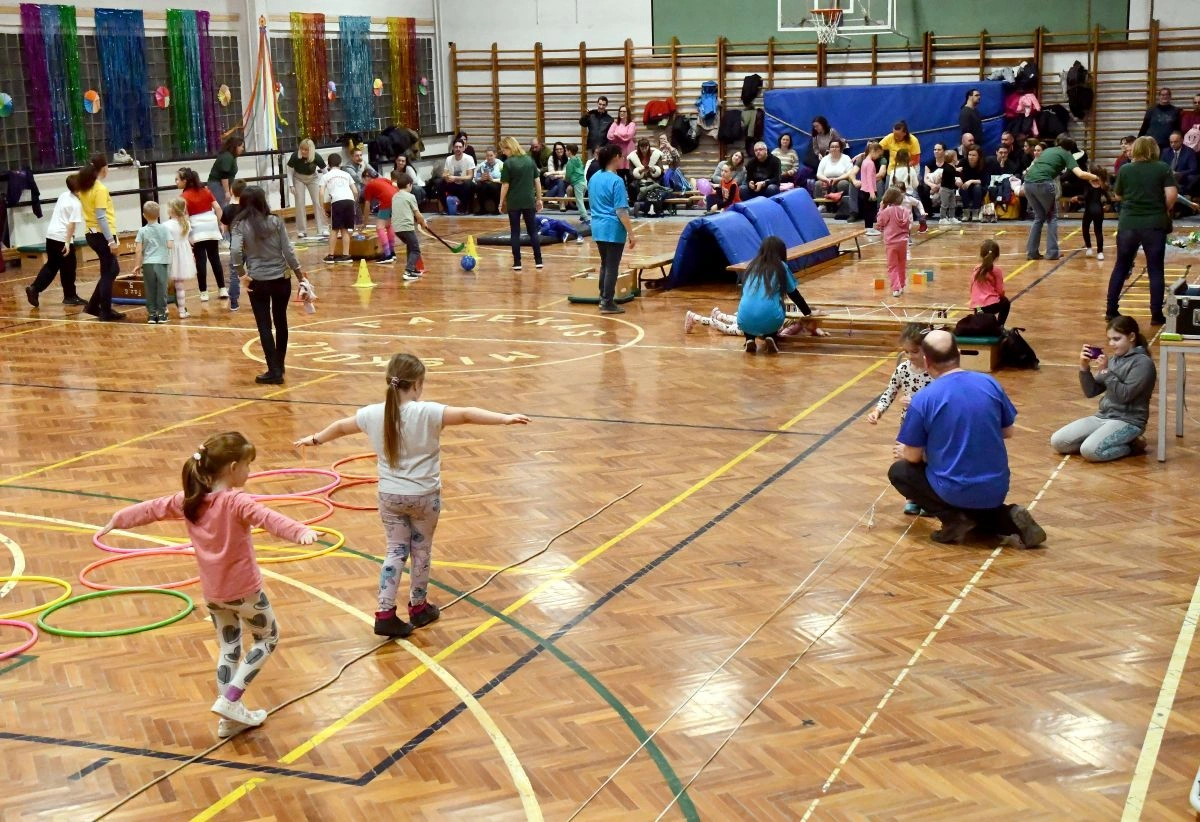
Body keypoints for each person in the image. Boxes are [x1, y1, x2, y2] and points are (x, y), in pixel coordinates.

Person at [98, 432, 317, 734]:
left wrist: (118, 518)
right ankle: (231, 699)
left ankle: (229, 720)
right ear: (233, 468)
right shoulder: (235, 501)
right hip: (246, 593)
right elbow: (268, 518)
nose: (249, 471)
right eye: (248, 465)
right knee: (268, 639)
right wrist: (300, 531)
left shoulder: (190, 500)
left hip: (214, 594)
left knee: (229, 647)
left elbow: (151, 508)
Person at [295, 354, 529, 637]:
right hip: (424, 496)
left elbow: (341, 427)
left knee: (395, 550)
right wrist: (505, 419)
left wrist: (315, 439)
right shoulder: (428, 412)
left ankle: (384, 613)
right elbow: (467, 414)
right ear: (417, 384)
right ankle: (418, 607)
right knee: (421, 551)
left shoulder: (371, 413)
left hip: (389, 496)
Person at [888, 330, 1046, 548]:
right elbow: (1008, 431)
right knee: (975, 508)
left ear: (927, 361)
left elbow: (913, 457)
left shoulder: (923, 399)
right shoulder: (989, 383)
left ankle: (954, 519)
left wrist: (909, 451)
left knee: (900, 471)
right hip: (996, 488)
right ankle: (1008, 518)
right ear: (959, 353)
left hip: (955, 489)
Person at [231, 186, 310, 384]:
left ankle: (273, 370)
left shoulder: (240, 225)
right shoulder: (276, 221)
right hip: (281, 278)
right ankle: (279, 365)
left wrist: (242, 274)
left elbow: (235, 253)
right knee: (281, 321)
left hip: (257, 280)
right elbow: (288, 251)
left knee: (264, 325)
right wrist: (300, 276)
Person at [1051, 316, 1155, 462]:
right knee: (1058, 442)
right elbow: (1091, 391)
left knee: (1090, 451)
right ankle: (1101, 439)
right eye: (1109, 339)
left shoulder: (1143, 363)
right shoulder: (1113, 360)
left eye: (1116, 339)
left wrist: (1106, 371)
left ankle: (1132, 446)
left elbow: (1125, 396)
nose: (1111, 344)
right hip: (1103, 416)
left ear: (1132, 337)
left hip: (1128, 421)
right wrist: (1084, 367)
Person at [1105, 136, 1177, 326]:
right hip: (1154, 223)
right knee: (1155, 269)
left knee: (1121, 266)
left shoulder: (1125, 169)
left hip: (1128, 223)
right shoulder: (1162, 168)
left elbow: (1118, 195)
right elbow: (1172, 195)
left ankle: (1111, 310)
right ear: (1154, 149)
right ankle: (1156, 314)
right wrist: (1162, 208)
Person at [867, 323, 934, 516]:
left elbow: (939, 399)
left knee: (927, 459)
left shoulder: (934, 372)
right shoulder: (903, 369)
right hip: (909, 425)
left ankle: (929, 499)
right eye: (906, 351)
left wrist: (916, 402)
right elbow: (890, 392)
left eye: (915, 351)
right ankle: (912, 497)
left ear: (926, 349)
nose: (910, 356)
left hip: (929, 426)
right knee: (908, 460)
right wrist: (878, 411)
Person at [1023, 135, 1100, 261]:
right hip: (1044, 184)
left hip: (1027, 184)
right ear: (1071, 148)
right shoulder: (1067, 154)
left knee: (1039, 217)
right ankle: (1052, 253)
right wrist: (1095, 177)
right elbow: (1080, 174)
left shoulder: (1047, 150)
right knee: (1051, 217)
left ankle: (1032, 253)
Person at [736, 236, 816, 354]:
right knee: (779, 304)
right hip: (770, 319)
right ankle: (771, 336)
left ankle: (749, 339)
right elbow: (794, 294)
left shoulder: (751, 266)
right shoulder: (781, 267)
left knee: (751, 307)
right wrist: (808, 313)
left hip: (744, 319)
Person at [589, 144, 637, 314]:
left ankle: (603, 297)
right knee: (612, 266)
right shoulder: (616, 181)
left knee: (605, 264)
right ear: (616, 157)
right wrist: (631, 233)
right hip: (612, 228)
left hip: (597, 226)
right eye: (621, 156)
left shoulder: (594, 177)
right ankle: (607, 302)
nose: (623, 159)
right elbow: (621, 210)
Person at [25, 173, 84, 308]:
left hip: (51, 236)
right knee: (69, 267)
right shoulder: (76, 204)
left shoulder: (64, 195)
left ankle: (34, 289)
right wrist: (67, 242)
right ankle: (70, 296)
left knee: (52, 266)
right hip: (62, 238)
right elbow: (71, 225)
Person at [79, 155, 123, 321]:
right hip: (102, 234)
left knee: (111, 270)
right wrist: (111, 240)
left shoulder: (85, 187)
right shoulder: (100, 189)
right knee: (108, 272)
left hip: (91, 233)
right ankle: (105, 310)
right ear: (103, 168)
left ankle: (93, 306)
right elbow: (101, 217)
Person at [177, 167, 226, 301]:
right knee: (215, 259)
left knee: (200, 261)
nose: (176, 182)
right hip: (211, 226)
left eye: (177, 179)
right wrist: (221, 223)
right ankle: (222, 289)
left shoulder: (183, 197)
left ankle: (204, 292)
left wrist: (186, 235)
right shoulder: (206, 191)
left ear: (185, 181)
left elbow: (185, 217)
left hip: (197, 229)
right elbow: (217, 208)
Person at [498, 136, 544, 273]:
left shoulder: (508, 163)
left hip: (514, 202)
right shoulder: (529, 160)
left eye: (503, 149)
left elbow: (505, 185)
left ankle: (517, 262)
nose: (503, 152)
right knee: (533, 232)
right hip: (528, 200)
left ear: (509, 147)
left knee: (515, 233)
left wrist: (501, 202)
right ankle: (538, 261)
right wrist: (539, 199)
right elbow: (537, 181)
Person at [131, 201, 171, 325]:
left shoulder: (142, 231)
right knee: (162, 288)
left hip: (148, 263)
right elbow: (170, 245)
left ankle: (152, 315)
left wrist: (137, 265)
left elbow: (138, 250)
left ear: (144, 215)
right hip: (162, 262)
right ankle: (162, 314)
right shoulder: (165, 228)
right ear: (159, 214)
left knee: (149, 289)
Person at [391, 174, 429, 282]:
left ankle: (413, 269)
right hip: (406, 227)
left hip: (397, 228)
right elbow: (417, 213)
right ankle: (408, 271)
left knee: (410, 246)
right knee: (416, 250)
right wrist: (423, 223)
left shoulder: (395, 196)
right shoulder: (410, 196)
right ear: (409, 185)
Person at [287, 139, 327, 238]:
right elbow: (289, 171)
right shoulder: (295, 156)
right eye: (302, 149)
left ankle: (322, 229)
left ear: (311, 150)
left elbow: (325, 172)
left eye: (306, 150)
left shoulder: (316, 157)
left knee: (317, 202)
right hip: (298, 178)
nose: (303, 151)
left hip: (313, 178)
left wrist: (327, 185)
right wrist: (291, 185)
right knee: (299, 203)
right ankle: (302, 230)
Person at [876, 187, 912, 298]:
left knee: (892, 266)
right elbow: (908, 225)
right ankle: (902, 284)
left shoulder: (887, 211)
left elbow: (879, 223)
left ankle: (896, 288)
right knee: (902, 264)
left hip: (891, 243)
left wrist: (881, 209)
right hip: (903, 242)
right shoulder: (905, 211)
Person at [219, 180, 247, 311]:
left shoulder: (228, 209)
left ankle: (234, 302)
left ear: (232, 191)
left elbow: (224, 228)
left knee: (234, 273)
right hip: (251, 244)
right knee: (255, 271)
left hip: (235, 245)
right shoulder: (249, 208)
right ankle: (259, 298)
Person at [166, 198, 196, 319]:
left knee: (164, 284)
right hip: (183, 256)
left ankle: (164, 309)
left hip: (171, 255)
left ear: (172, 210)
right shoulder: (186, 224)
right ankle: (182, 311)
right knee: (179, 285)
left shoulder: (166, 225)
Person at [968, 239, 1009, 326]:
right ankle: (1000, 326)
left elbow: (971, 287)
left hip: (977, 306)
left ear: (981, 255)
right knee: (1006, 302)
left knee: (981, 310)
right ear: (997, 257)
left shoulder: (976, 269)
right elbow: (999, 291)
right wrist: (1001, 295)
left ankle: (980, 316)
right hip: (990, 305)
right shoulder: (996, 271)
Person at [363, 169, 399, 264]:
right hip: (396, 199)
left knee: (380, 227)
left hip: (387, 201)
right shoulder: (383, 179)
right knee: (389, 225)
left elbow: (367, 205)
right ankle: (392, 252)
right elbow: (395, 185)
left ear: (366, 178)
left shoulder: (368, 186)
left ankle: (387, 255)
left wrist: (365, 221)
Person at [816, 139, 857, 219]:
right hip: (827, 180)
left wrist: (837, 179)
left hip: (841, 179)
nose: (834, 148)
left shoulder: (846, 158)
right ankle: (822, 206)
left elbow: (850, 173)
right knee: (818, 183)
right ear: (829, 149)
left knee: (843, 184)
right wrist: (826, 180)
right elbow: (819, 174)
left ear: (840, 148)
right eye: (832, 147)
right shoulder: (825, 159)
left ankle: (841, 206)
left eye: (836, 147)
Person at [888, 149, 927, 232]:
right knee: (916, 203)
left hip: (896, 197)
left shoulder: (893, 171)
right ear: (908, 158)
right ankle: (922, 222)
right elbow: (916, 184)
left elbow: (890, 186)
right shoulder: (911, 170)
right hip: (908, 195)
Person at [1078, 166, 1111, 260]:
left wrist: (1077, 198)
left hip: (1089, 211)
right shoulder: (1101, 185)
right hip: (1099, 210)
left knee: (1085, 229)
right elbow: (1108, 198)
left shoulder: (1087, 185)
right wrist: (1107, 205)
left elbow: (1085, 197)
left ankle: (1089, 248)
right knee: (1098, 231)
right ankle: (1100, 253)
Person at [923, 143, 959, 224]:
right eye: (935, 149)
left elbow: (951, 177)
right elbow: (926, 178)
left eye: (939, 150)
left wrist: (939, 186)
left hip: (945, 186)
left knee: (952, 203)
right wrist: (933, 186)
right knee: (924, 188)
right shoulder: (929, 163)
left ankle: (951, 217)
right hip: (934, 185)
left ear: (944, 152)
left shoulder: (949, 164)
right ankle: (931, 213)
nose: (936, 151)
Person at [208, 135, 244, 210]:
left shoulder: (231, 156)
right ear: (235, 146)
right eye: (241, 146)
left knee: (225, 206)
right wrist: (227, 191)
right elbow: (224, 176)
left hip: (222, 185)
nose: (242, 149)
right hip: (217, 185)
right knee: (223, 207)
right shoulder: (227, 157)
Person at [440, 139, 476, 214]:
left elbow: (470, 176)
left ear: (463, 148)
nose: (458, 149)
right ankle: (446, 208)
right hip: (453, 183)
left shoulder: (469, 158)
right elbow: (444, 173)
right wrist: (447, 177)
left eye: (460, 147)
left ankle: (463, 209)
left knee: (468, 184)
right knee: (439, 183)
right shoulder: (449, 159)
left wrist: (456, 178)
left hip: (464, 183)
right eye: (456, 147)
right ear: (453, 148)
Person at [858, 141, 884, 236]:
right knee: (871, 210)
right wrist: (872, 193)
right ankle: (869, 228)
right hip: (869, 190)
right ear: (873, 151)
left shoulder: (865, 161)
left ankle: (868, 227)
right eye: (878, 154)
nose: (878, 157)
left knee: (868, 210)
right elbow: (869, 178)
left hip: (865, 189)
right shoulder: (870, 163)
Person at [958, 146, 989, 221]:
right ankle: (966, 213)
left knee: (977, 187)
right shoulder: (963, 162)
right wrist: (958, 180)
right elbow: (956, 175)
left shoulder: (983, 163)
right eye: (969, 155)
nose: (971, 157)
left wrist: (971, 181)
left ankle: (975, 213)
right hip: (966, 188)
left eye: (974, 155)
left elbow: (984, 180)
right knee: (964, 188)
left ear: (979, 156)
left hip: (980, 189)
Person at [1162, 130, 1198, 196]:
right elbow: (1161, 166)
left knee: (1193, 178)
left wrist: (1180, 174)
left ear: (1182, 141)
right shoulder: (1165, 151)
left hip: (1182, 178)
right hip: (1167, 176)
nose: (1173, 144)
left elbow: (1194, 169)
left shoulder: (1189, 152)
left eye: (1175, 142)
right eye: (1171, 142)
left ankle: (1183, 192)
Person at [473, 147, 504, 215]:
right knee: (478, 186)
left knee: (493, 186)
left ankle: (497, 209)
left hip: (497, 185)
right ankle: (482, 209)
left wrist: (493, 179)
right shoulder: (482, 165)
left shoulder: (501, 164)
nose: (489, 158)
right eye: (487, 156)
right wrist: (481, 178)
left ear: (495, 155)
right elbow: (475, 178)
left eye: (491, 155)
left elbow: (504, 179)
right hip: (485, 185)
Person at [606, 105, 637, 173]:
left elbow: (628, 136)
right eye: (620, 111)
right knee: (619, 171)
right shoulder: (615, 124)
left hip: (628, 150)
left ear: (628, 113)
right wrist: (622, 136)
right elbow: (609, 136)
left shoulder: (631, 124)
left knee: (629, 171)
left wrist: (617, 135)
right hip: (618, 150)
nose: (622, 113)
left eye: (624, 111)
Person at [564, 143, 589, 222]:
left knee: (579, 202)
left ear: (569, 152)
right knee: (581, 200)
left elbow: (568, 174)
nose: (565, 152)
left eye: (566, 150)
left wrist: (566, 180)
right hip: (583, 182)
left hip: (578, 184)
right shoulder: (579, 159)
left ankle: (585, 218)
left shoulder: (570, 162)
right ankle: (582, 216)